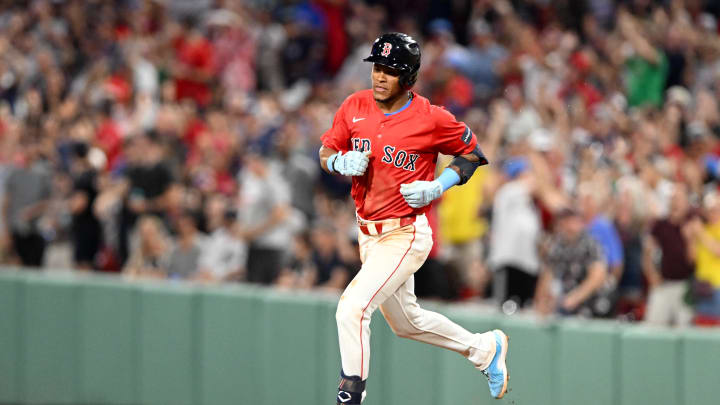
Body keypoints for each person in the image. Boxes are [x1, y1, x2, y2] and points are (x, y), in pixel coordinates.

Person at [319, 33, 508, 404]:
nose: (379, 76)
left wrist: (440, 185)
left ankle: (350, 395)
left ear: (408, 77)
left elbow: (473, 154)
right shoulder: (355, 105)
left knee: (352, 308)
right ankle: (484, 349)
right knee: (407, 323)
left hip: (405, 233)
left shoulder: (431, 118)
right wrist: (337, 162)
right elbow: (326, 148)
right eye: (377, 67)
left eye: (389, 70)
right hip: (368, 234)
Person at [535, 208, 607, 317]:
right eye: (564, 222)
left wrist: (576, 297)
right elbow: (547, 276)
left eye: (571, 221)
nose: (568, 226)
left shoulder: (590, 243)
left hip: (589, 307)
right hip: (560, 308)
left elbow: (598, 276)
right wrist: (541, 302)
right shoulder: (556, 247)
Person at [642, 183, 695, 326]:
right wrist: (651, 274)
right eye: (673, 199)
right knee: (653, 326)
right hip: (663, 284)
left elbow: (693, 260)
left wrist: (690, 240)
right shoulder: (660, 225)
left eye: (679, 199)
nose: (675, 202)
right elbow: (647, 252)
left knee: (685, 327)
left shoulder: (693, 223)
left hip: (686, 285)